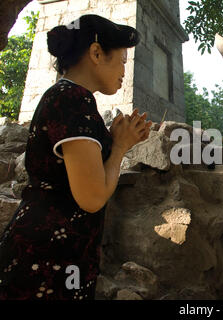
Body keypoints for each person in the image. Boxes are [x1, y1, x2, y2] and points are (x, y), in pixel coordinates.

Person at [0, 14, 152, 300]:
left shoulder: (67, 97)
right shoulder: (73, 99)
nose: (123, 71)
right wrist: (119, 148)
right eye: (121, 60)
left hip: (54, 252)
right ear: (96, 53)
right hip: (46, 259)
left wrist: (117, 140)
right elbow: (92, 197)